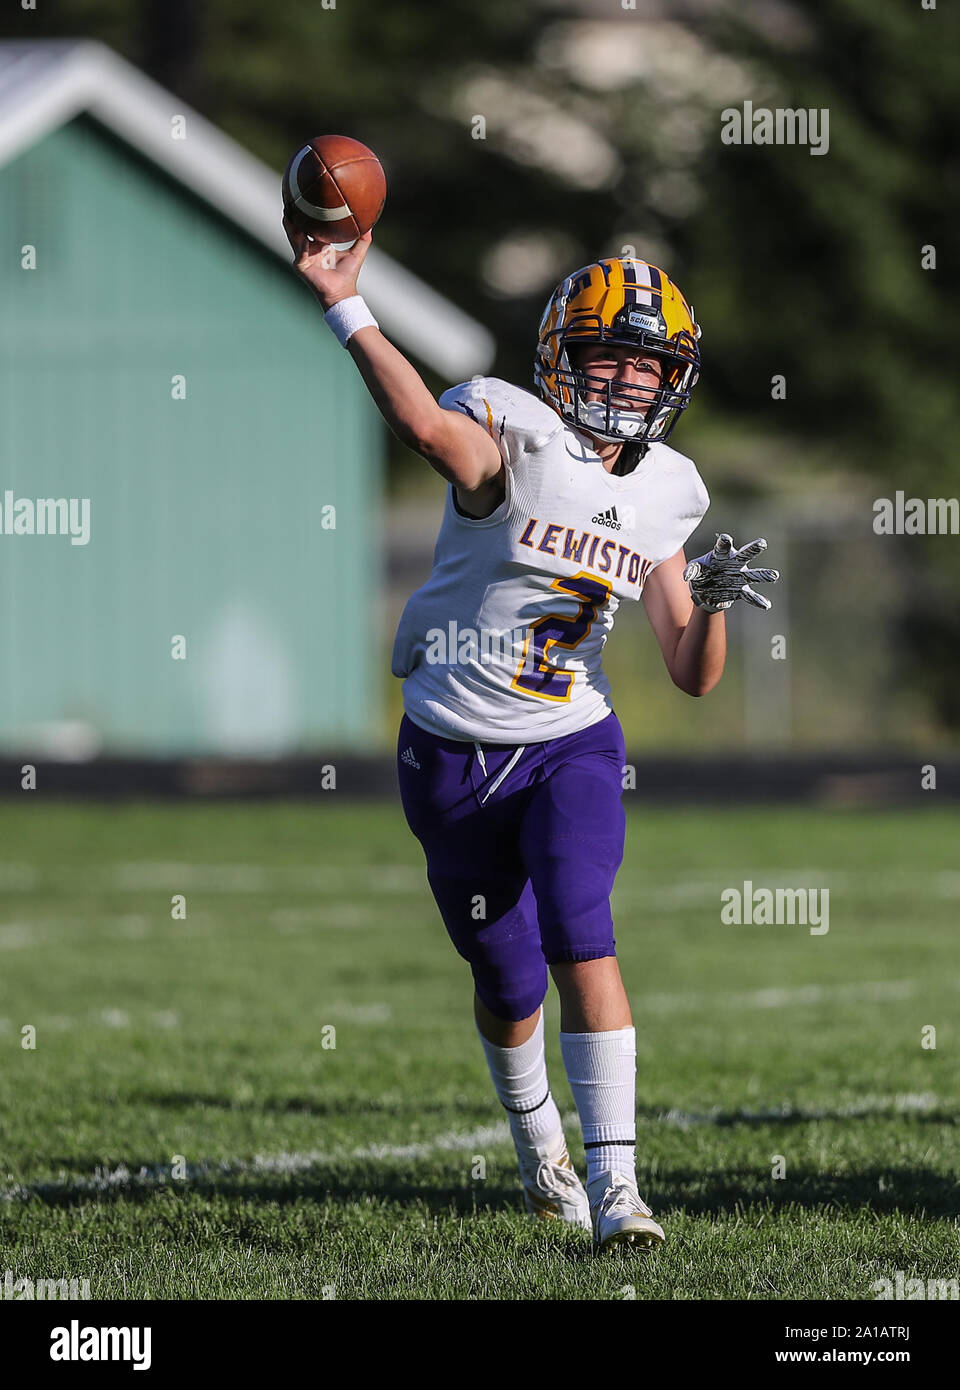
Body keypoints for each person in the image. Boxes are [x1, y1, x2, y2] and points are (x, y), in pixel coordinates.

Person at [284, 219, 779, 1252]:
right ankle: (536, 1142)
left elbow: (691, 669)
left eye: (652, 366)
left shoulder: (668, 488)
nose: (633, 383)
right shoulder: (508, 426)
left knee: (579, 924)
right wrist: (345, 303)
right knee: (505, 982)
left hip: (570, 741)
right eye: (613, 358)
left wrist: (717, 603)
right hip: (451, 749)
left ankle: (619, 1190)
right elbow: (425, 427)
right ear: (564, 354)